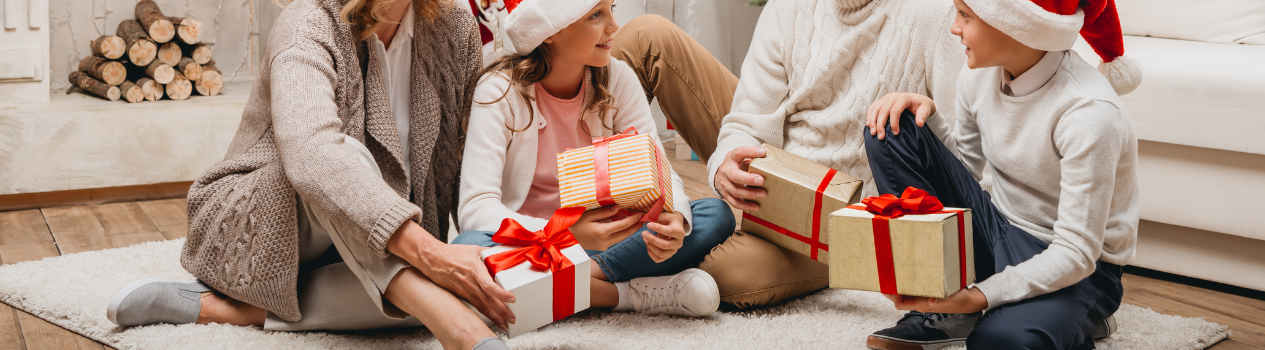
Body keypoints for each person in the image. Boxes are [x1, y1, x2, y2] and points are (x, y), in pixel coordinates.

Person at [105, 0, 515, 349]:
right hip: (262, 218)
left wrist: (504, 242)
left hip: (372, 246)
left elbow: (462, 160)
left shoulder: (454, 27)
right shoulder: (308, 21)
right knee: (345, 157)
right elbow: (311, 154)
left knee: (455, 287)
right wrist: (434, 255)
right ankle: (461, 330)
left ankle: (236, 311)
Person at [610, 0, 968, 308]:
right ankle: (584, 219)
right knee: (646, 36)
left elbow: (961, 166)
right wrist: (726, 162)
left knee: (729, 276)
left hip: (849, 217)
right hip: (772, 172)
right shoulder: (788, 7)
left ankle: (611, 272)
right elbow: (747, 121)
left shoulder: (936, 15)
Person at [860, 0, 1141, 348]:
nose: (954, 27)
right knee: (891, 126)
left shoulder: (1089, 113)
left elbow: (1076, 252)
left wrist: (978, 296)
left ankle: (1079, 313)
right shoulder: (978, 75)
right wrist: (928, 118)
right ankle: (949, 309)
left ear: (1015, 24)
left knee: (1001, 341)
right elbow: (967, 170)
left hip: (1079, 266)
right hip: (1001, 230)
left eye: (966, 16)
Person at [453, 0, 734, 317]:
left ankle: (550, 286)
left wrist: (674, 220)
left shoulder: (619, 78)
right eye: (596, 15)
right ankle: (627, 295)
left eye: (612, 8)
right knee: (465, 246)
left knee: (714, 214)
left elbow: (660, 170)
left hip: (607, 241)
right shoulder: (497, 92)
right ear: (550, 32)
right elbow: (475, 209)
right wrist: (561, 233)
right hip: (532, 244)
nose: (614, 25)